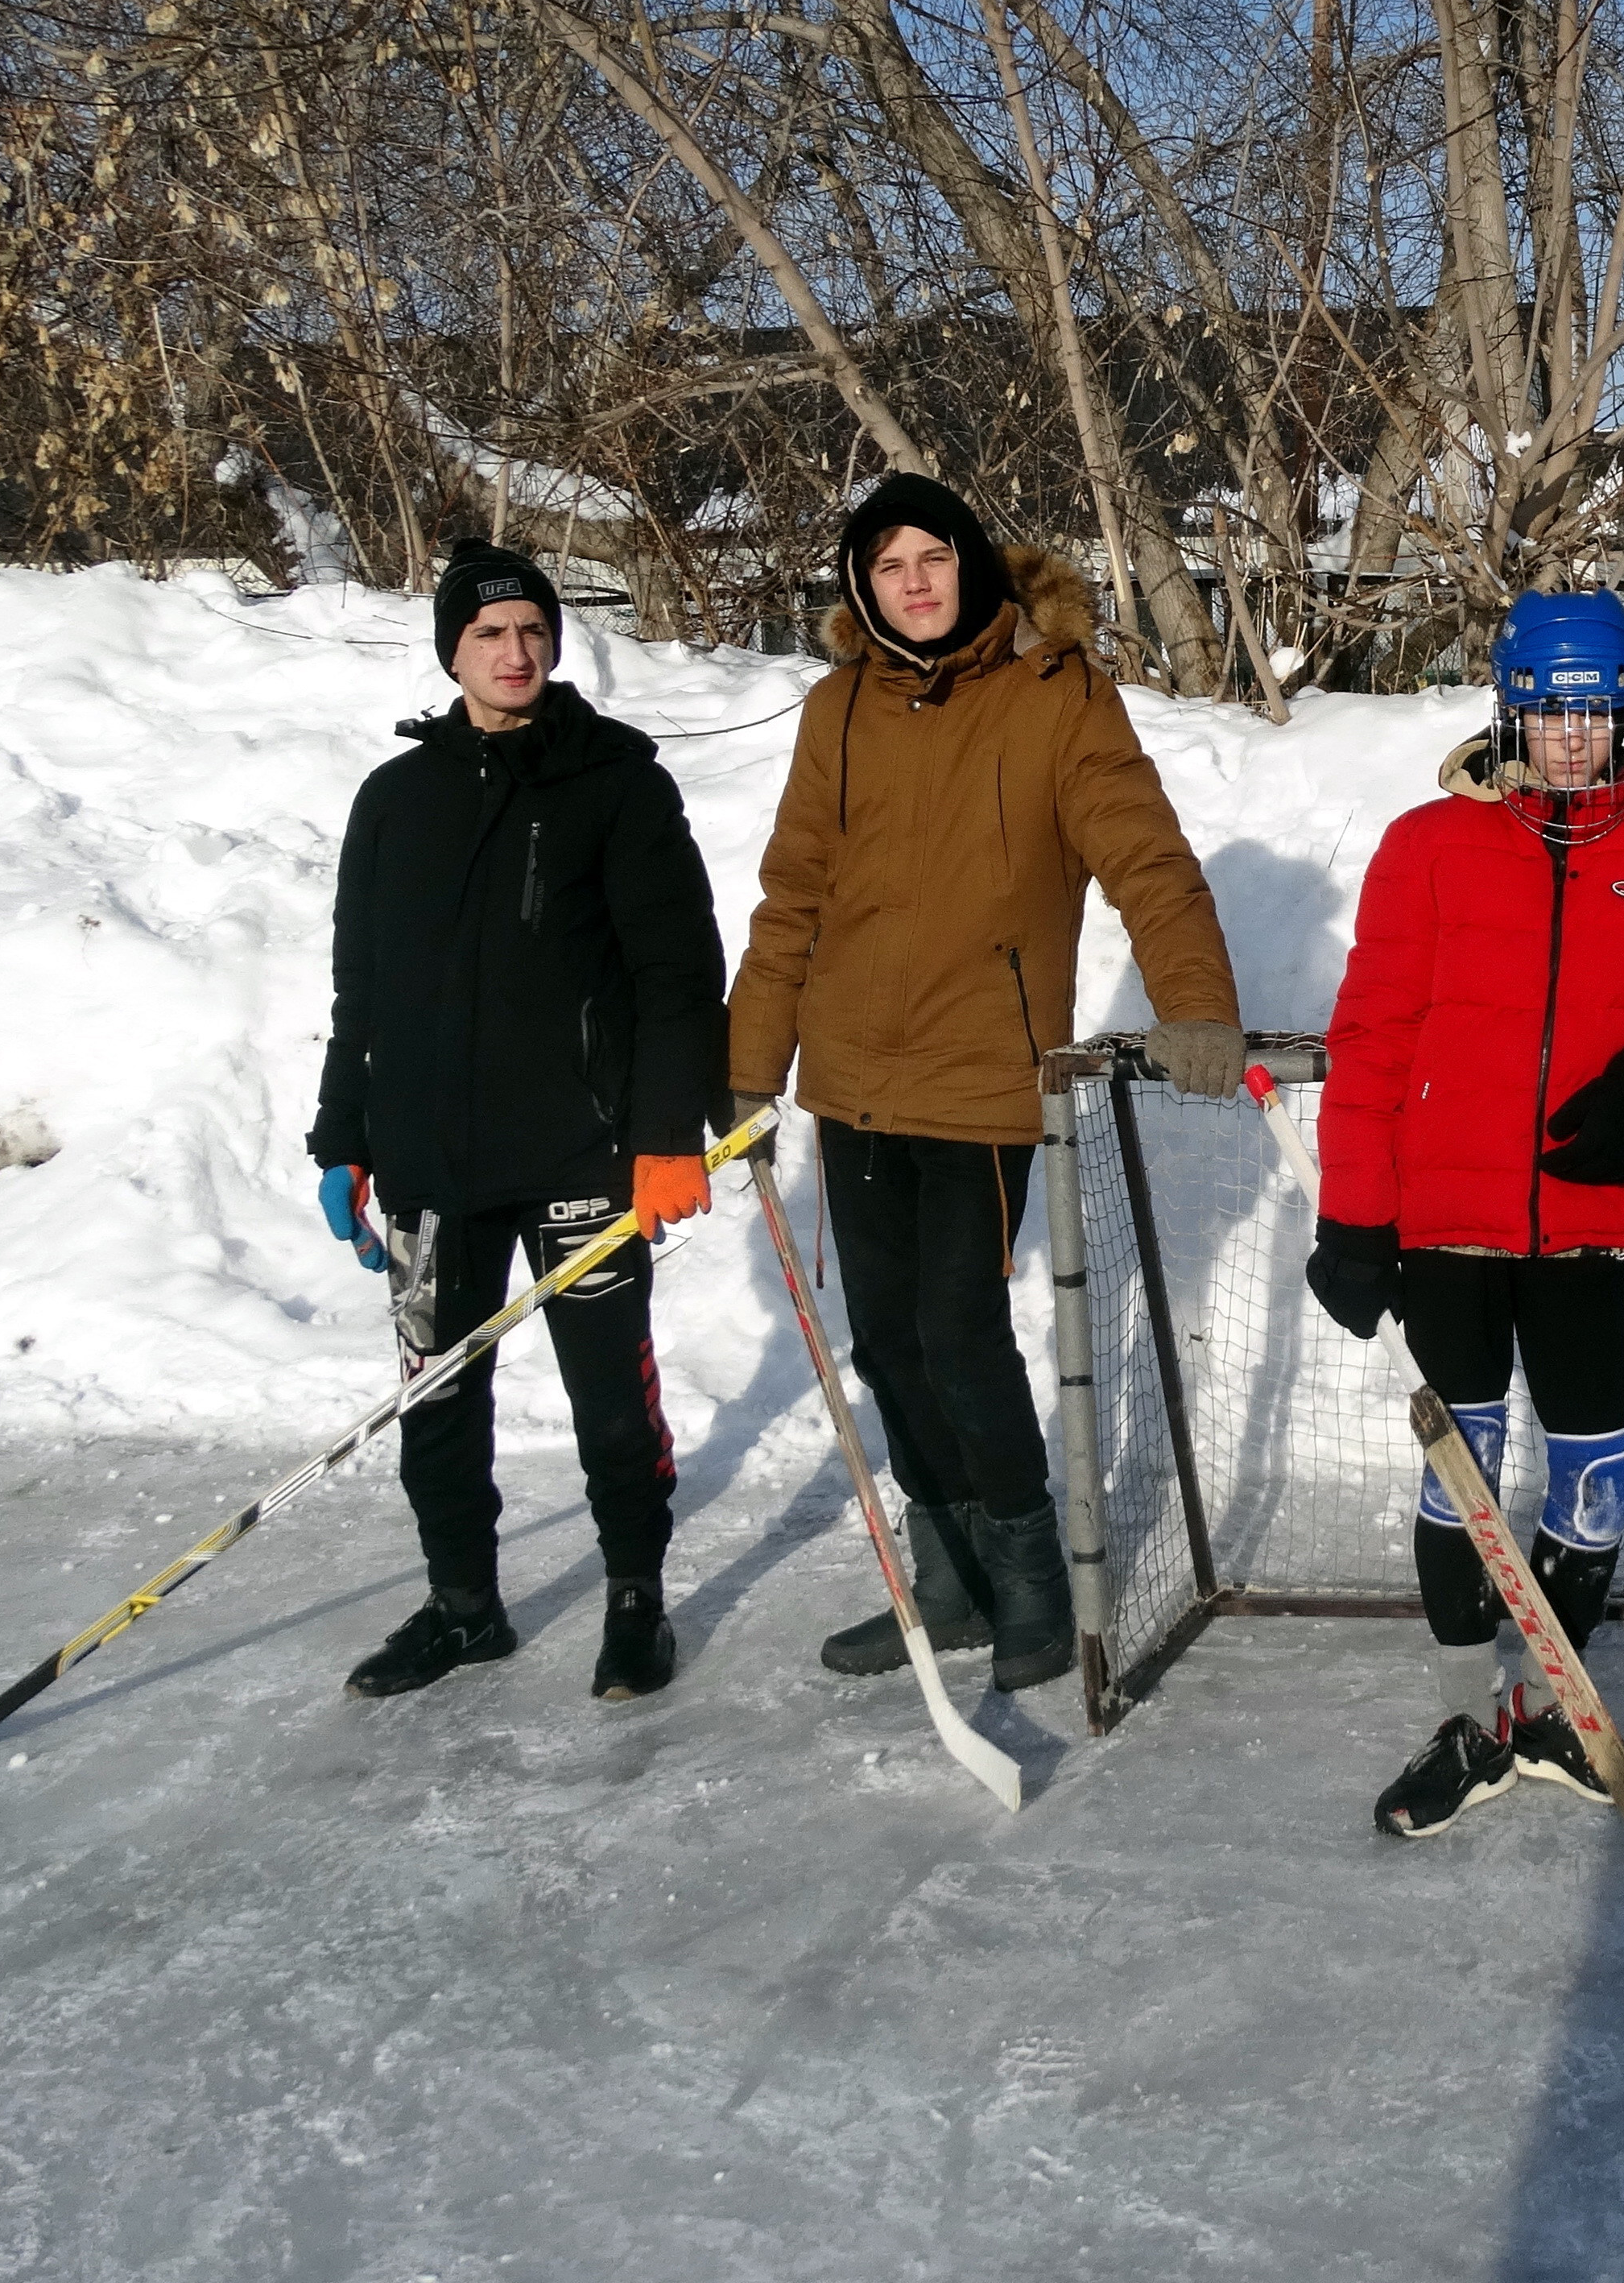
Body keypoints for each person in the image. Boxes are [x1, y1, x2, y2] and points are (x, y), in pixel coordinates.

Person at [729, 474, 1242, 1696]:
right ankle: (948, 1577)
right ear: (860, 585)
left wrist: (1198, 1006)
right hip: (850, 1078)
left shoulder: (1057, 697)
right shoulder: (836, 710)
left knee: (958, 1334)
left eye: (931, 557)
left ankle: (1029, 1578)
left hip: (982, 1079)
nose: (912, 581)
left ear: (970, 564)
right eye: (886, 564)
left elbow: (1146, 860)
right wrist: (750, 1070)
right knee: (890, 1345)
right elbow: (791, 895)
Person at [1306, 589, 1624, 1838]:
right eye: (1550, 711)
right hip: (1444, 1224)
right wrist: (1354, 1217)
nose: (1573, 737)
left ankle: (1561, 1707)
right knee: (1461, 1475)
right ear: (1510, 708)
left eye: (1597, 713)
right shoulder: (1428, 847)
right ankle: (1465, 1718)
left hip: (1589, 1218)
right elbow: (1373, 1033)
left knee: (1594, 1477)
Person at [308, 539, 729, 1704]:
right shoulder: (395, 800)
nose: (515, 651)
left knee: (609, 1397)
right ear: (453, 651)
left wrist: (662, 1139)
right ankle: (462, 1605)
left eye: (533, 631)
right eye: (489, 634)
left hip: (579, 1153)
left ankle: (635, 1597)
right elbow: (364, 984)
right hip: (429, 1159)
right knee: (434, 1399)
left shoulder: (618, 783)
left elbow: (677, 976)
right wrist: (344, 1134)